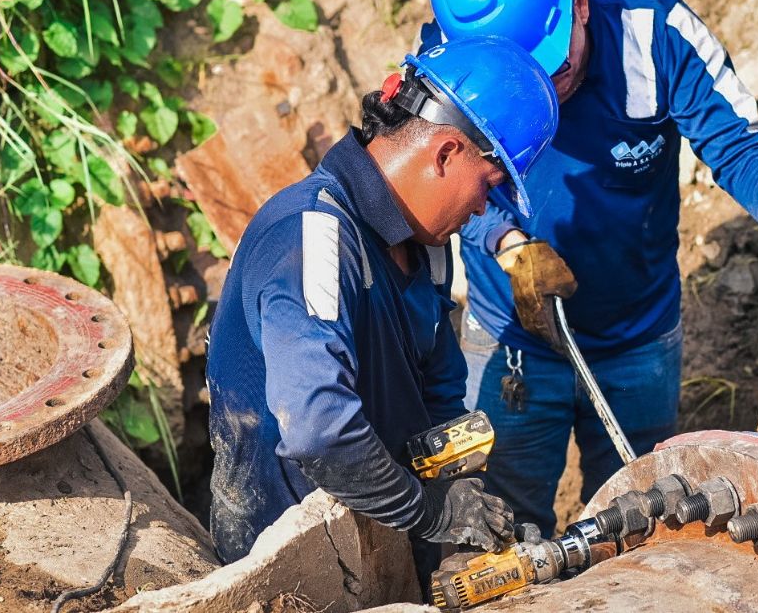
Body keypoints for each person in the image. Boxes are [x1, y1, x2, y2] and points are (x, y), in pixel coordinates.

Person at [420, 0, 758, 535]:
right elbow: (433, 182)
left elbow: (734, 141)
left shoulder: (656, 38)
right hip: (510, 343)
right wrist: (506, 241)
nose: (546, 88)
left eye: (554, 66)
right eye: (523, 80)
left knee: (636, 521)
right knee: (502, 526)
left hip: (637, 346)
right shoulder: (448, 67)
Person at [204, 35, 560, 577]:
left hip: (383, 528)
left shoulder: (429, 246)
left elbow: (439, 388)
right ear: (446, 153)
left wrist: (468, 507)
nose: (486, 207)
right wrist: (432, 514)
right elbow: (318, 429)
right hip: (289, 560)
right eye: (489, 186)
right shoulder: (311, 242)